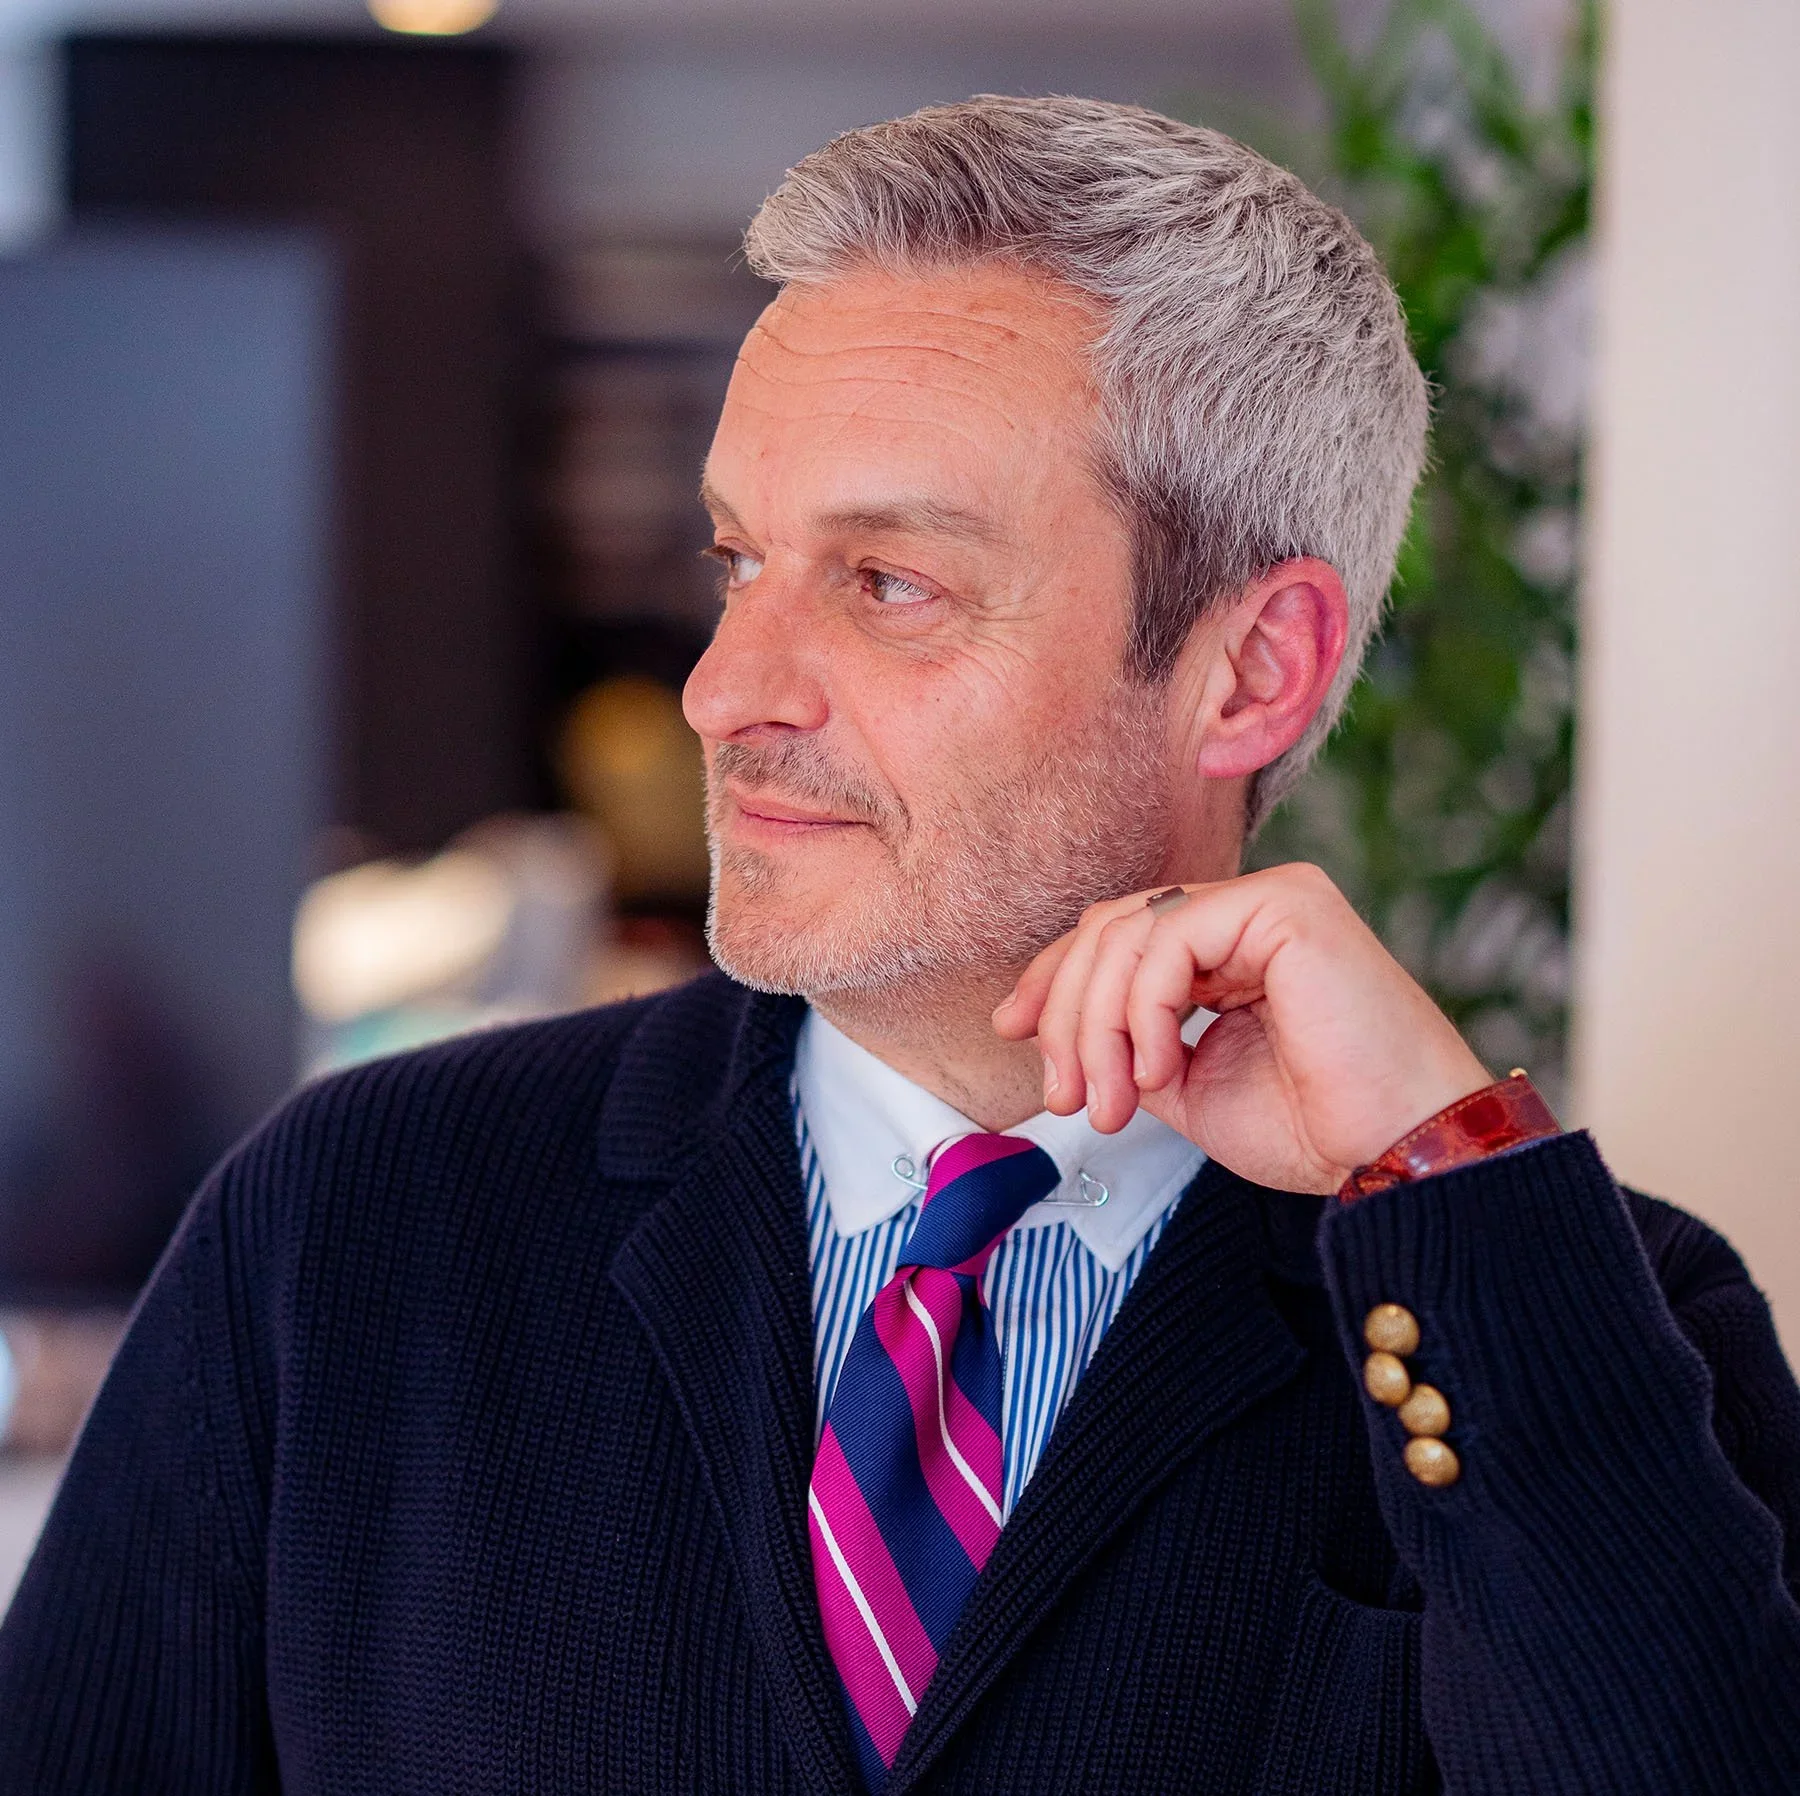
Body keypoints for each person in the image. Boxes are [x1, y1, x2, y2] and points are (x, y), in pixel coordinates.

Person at [2, 95, 1797, 1795]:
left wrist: (1445, 1193)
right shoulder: (357, 1224)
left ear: (1253, 669)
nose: (721, 694)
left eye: (888, 585)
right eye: (737, 564)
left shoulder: (1581, 1317)